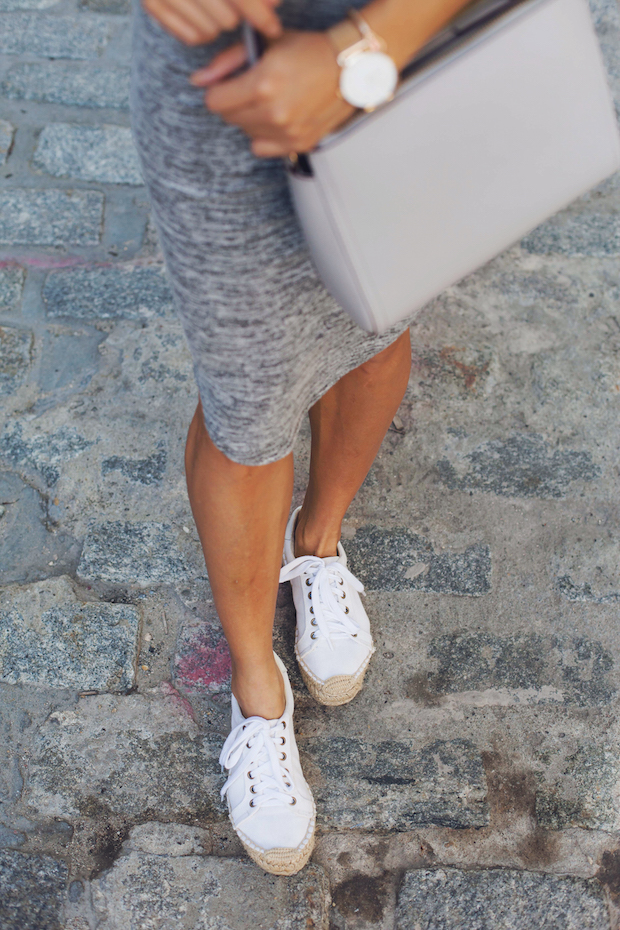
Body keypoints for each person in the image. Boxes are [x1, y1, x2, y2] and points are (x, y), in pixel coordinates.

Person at [130, 0, 473, 875]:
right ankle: (257, 686)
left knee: (376, 316)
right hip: (225, 66)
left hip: (411, 38)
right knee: (249, 393)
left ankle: (317, 544)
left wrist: (368, 49)